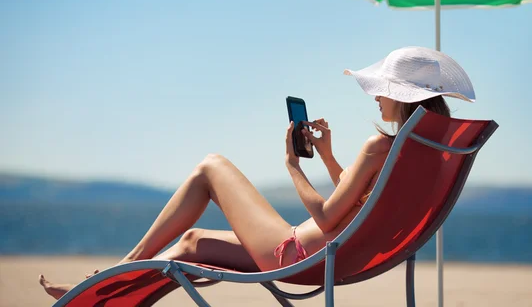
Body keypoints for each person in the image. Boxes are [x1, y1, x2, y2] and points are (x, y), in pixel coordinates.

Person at [40, 46, 475, 300]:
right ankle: (102, 293)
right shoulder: (420, 155)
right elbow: (362, 205)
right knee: (191, 242)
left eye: (381, 91)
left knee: (212, 166)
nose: (376, 99)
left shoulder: (380, 146)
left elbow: (327, 217)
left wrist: (292, 166)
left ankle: (112, 275)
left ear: (401, 96)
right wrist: (325, 157)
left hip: (297, 256)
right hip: (328, 258)